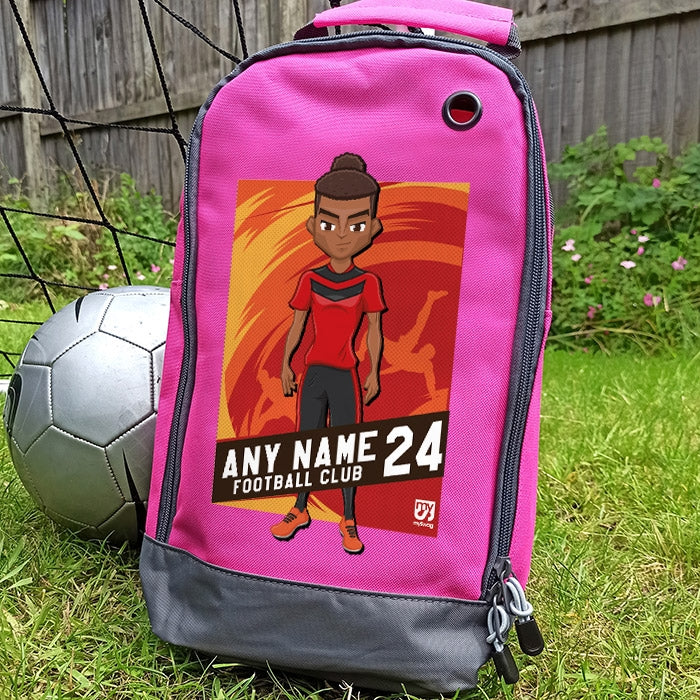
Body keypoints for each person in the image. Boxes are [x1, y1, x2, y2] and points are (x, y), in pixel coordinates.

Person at [270, 153, 385, 554]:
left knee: (346, 447)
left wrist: (373, 372)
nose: (341, 235)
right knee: (307, 442)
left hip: (345, 374)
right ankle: (299, 508)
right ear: (312, 225)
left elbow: (374, 329)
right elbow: (297, 325)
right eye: (329, 223)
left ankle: (348, 518)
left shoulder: (368, 282)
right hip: (314, 372)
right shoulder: (310, 279)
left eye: (356, 225)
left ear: (373, 228)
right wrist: (285, 364)